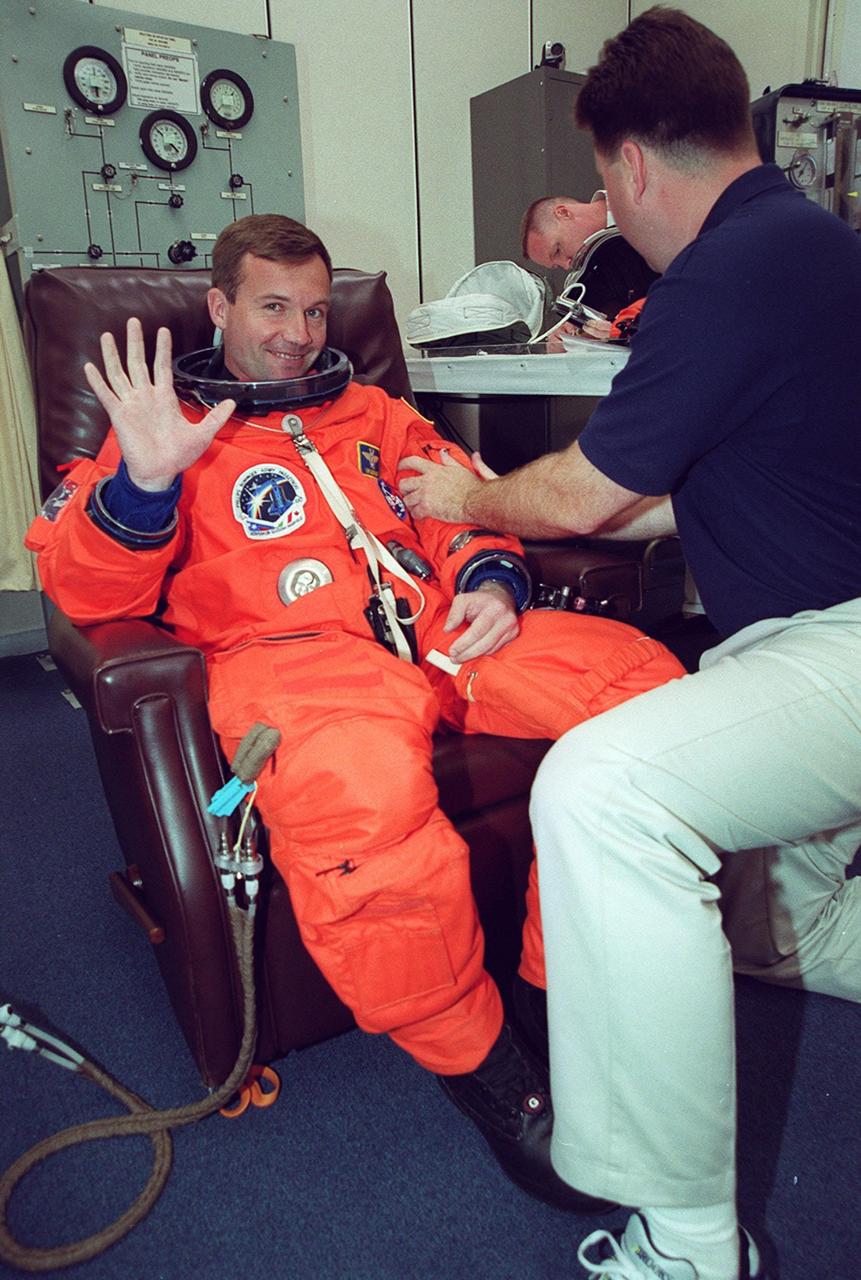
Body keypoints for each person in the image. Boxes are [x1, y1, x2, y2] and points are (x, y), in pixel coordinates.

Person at [26, 213, 685, 1215]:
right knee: (363, 805)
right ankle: (492, 1076)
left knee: (647, 690)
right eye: (272, 307)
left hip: (439, 631)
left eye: (315, 310)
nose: (298, 333)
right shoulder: (165, 432)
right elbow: (83, 591)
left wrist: (492, 578)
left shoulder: (375, 411)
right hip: (296, 667)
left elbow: (459, 501)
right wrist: (146, 481)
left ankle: (555, 989)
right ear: (219, 307)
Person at [399, 9, 861, 1279]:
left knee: (602, 792)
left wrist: (468, 496)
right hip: (814, 638)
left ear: (634, 167)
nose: (611, 215)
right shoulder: (812, 247)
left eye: (604, 190)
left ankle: (690, 1242)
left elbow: (587, 493)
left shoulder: (724, 268)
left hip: (838, 650)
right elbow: (685, 490)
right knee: (775, 931)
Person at [520, 191, 659, 319]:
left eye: (557, 250)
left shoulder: (642, 196)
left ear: (564, 213)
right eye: (558, 266)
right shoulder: (595, 278)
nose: (567, 265)